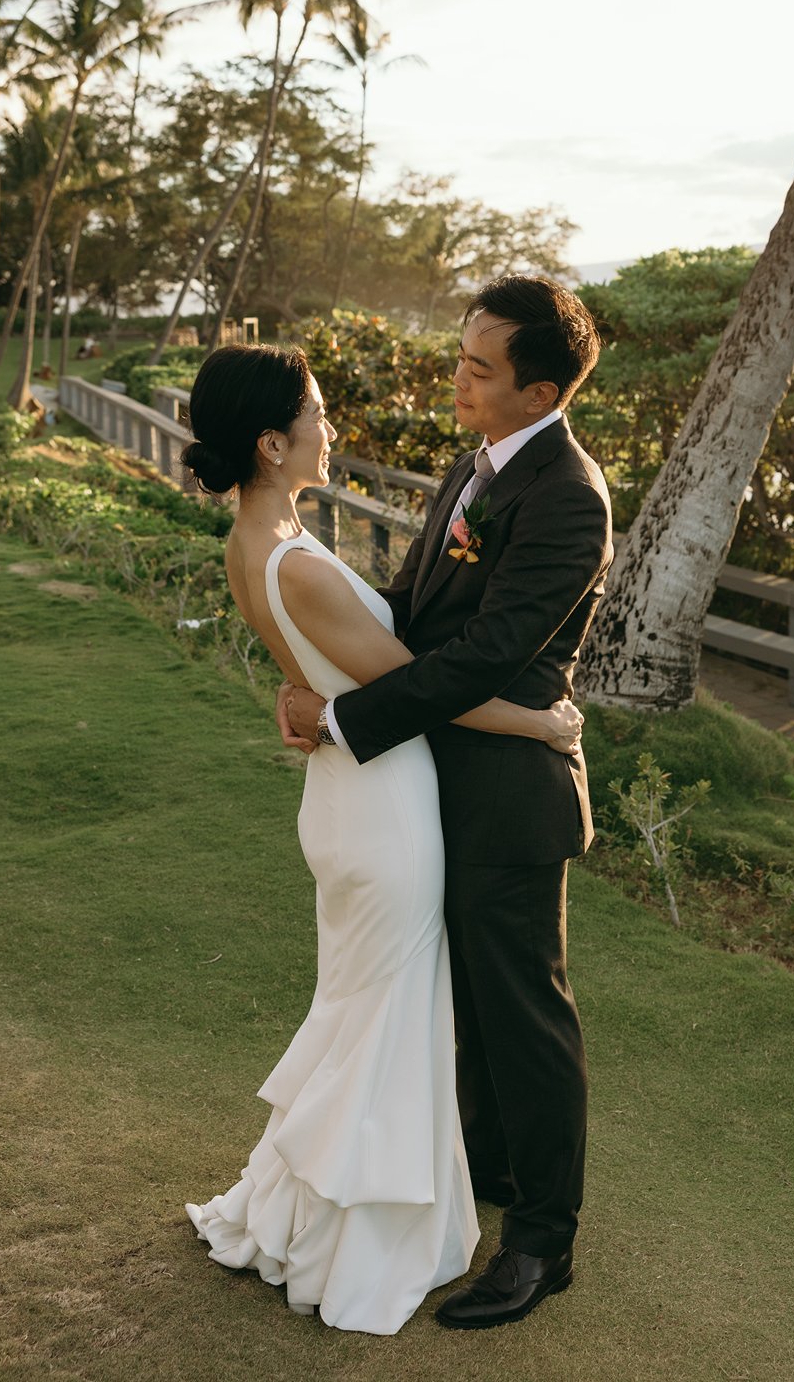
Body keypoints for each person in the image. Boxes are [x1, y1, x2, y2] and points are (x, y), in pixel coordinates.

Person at [179, 341, 584, 1337]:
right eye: (315, 415)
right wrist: (540, 723)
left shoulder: (255, 542)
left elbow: (384, 650)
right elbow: (412, 676)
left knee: (366, 1009)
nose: (330, 427)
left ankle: (330, 1198)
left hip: (354, 794)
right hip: (385, 804)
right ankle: (354, 1232)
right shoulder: (296, 561)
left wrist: (315, 698)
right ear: (273, 444)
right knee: (385, 1016)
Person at [278, 274, 613, 1331]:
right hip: (439, 783)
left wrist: (343, 721)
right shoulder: (476, 470)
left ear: (540, 390)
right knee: (468, 1007)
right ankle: (495, 1182)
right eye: (461, 356)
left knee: (522, 1018)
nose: (457, 378)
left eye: (478, 368)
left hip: (511, 799)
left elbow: (485, 655)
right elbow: (420, 615)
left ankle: (542, 1245)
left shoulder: (566, 495)